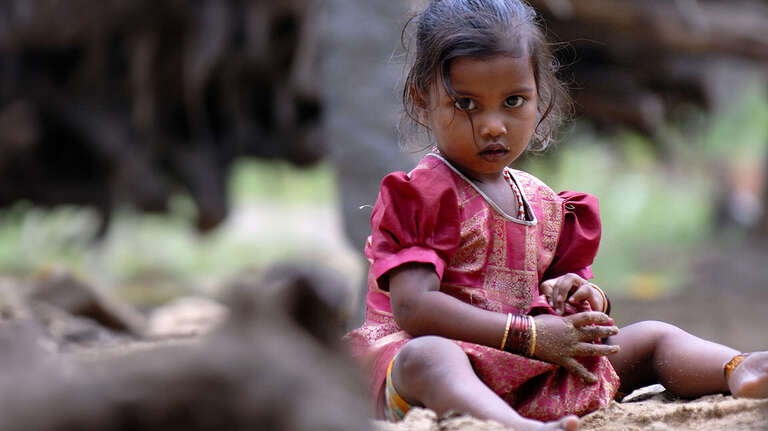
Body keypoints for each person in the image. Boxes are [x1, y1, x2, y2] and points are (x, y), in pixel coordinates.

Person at [343, 1, 768, 430]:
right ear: (423, 101)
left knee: (651, 336)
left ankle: (740, 368)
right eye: (467, 104)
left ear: (538, 97)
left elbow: (572, 288)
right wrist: (527, 336)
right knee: (430, 355)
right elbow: (413, 308)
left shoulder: (546, 204)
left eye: (512, 100)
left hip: (524, 365)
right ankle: (517, 426)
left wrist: (582, 296)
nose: (493, 125)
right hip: (434, 371)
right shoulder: (424, 194)